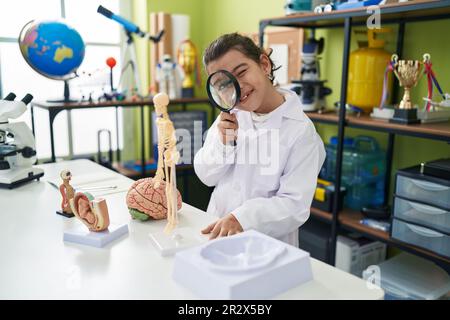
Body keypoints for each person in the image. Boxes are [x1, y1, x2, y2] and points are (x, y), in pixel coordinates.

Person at [194, 33, 326, 247]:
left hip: (266, 246)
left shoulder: (302, 133)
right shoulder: (230, 117)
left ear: (264, 65)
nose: (237, 87)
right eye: (223, 84)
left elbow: (294, 206)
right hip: (216, 234)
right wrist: (223, 144)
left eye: (242, 72)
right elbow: (205, 175)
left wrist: (242, 218)